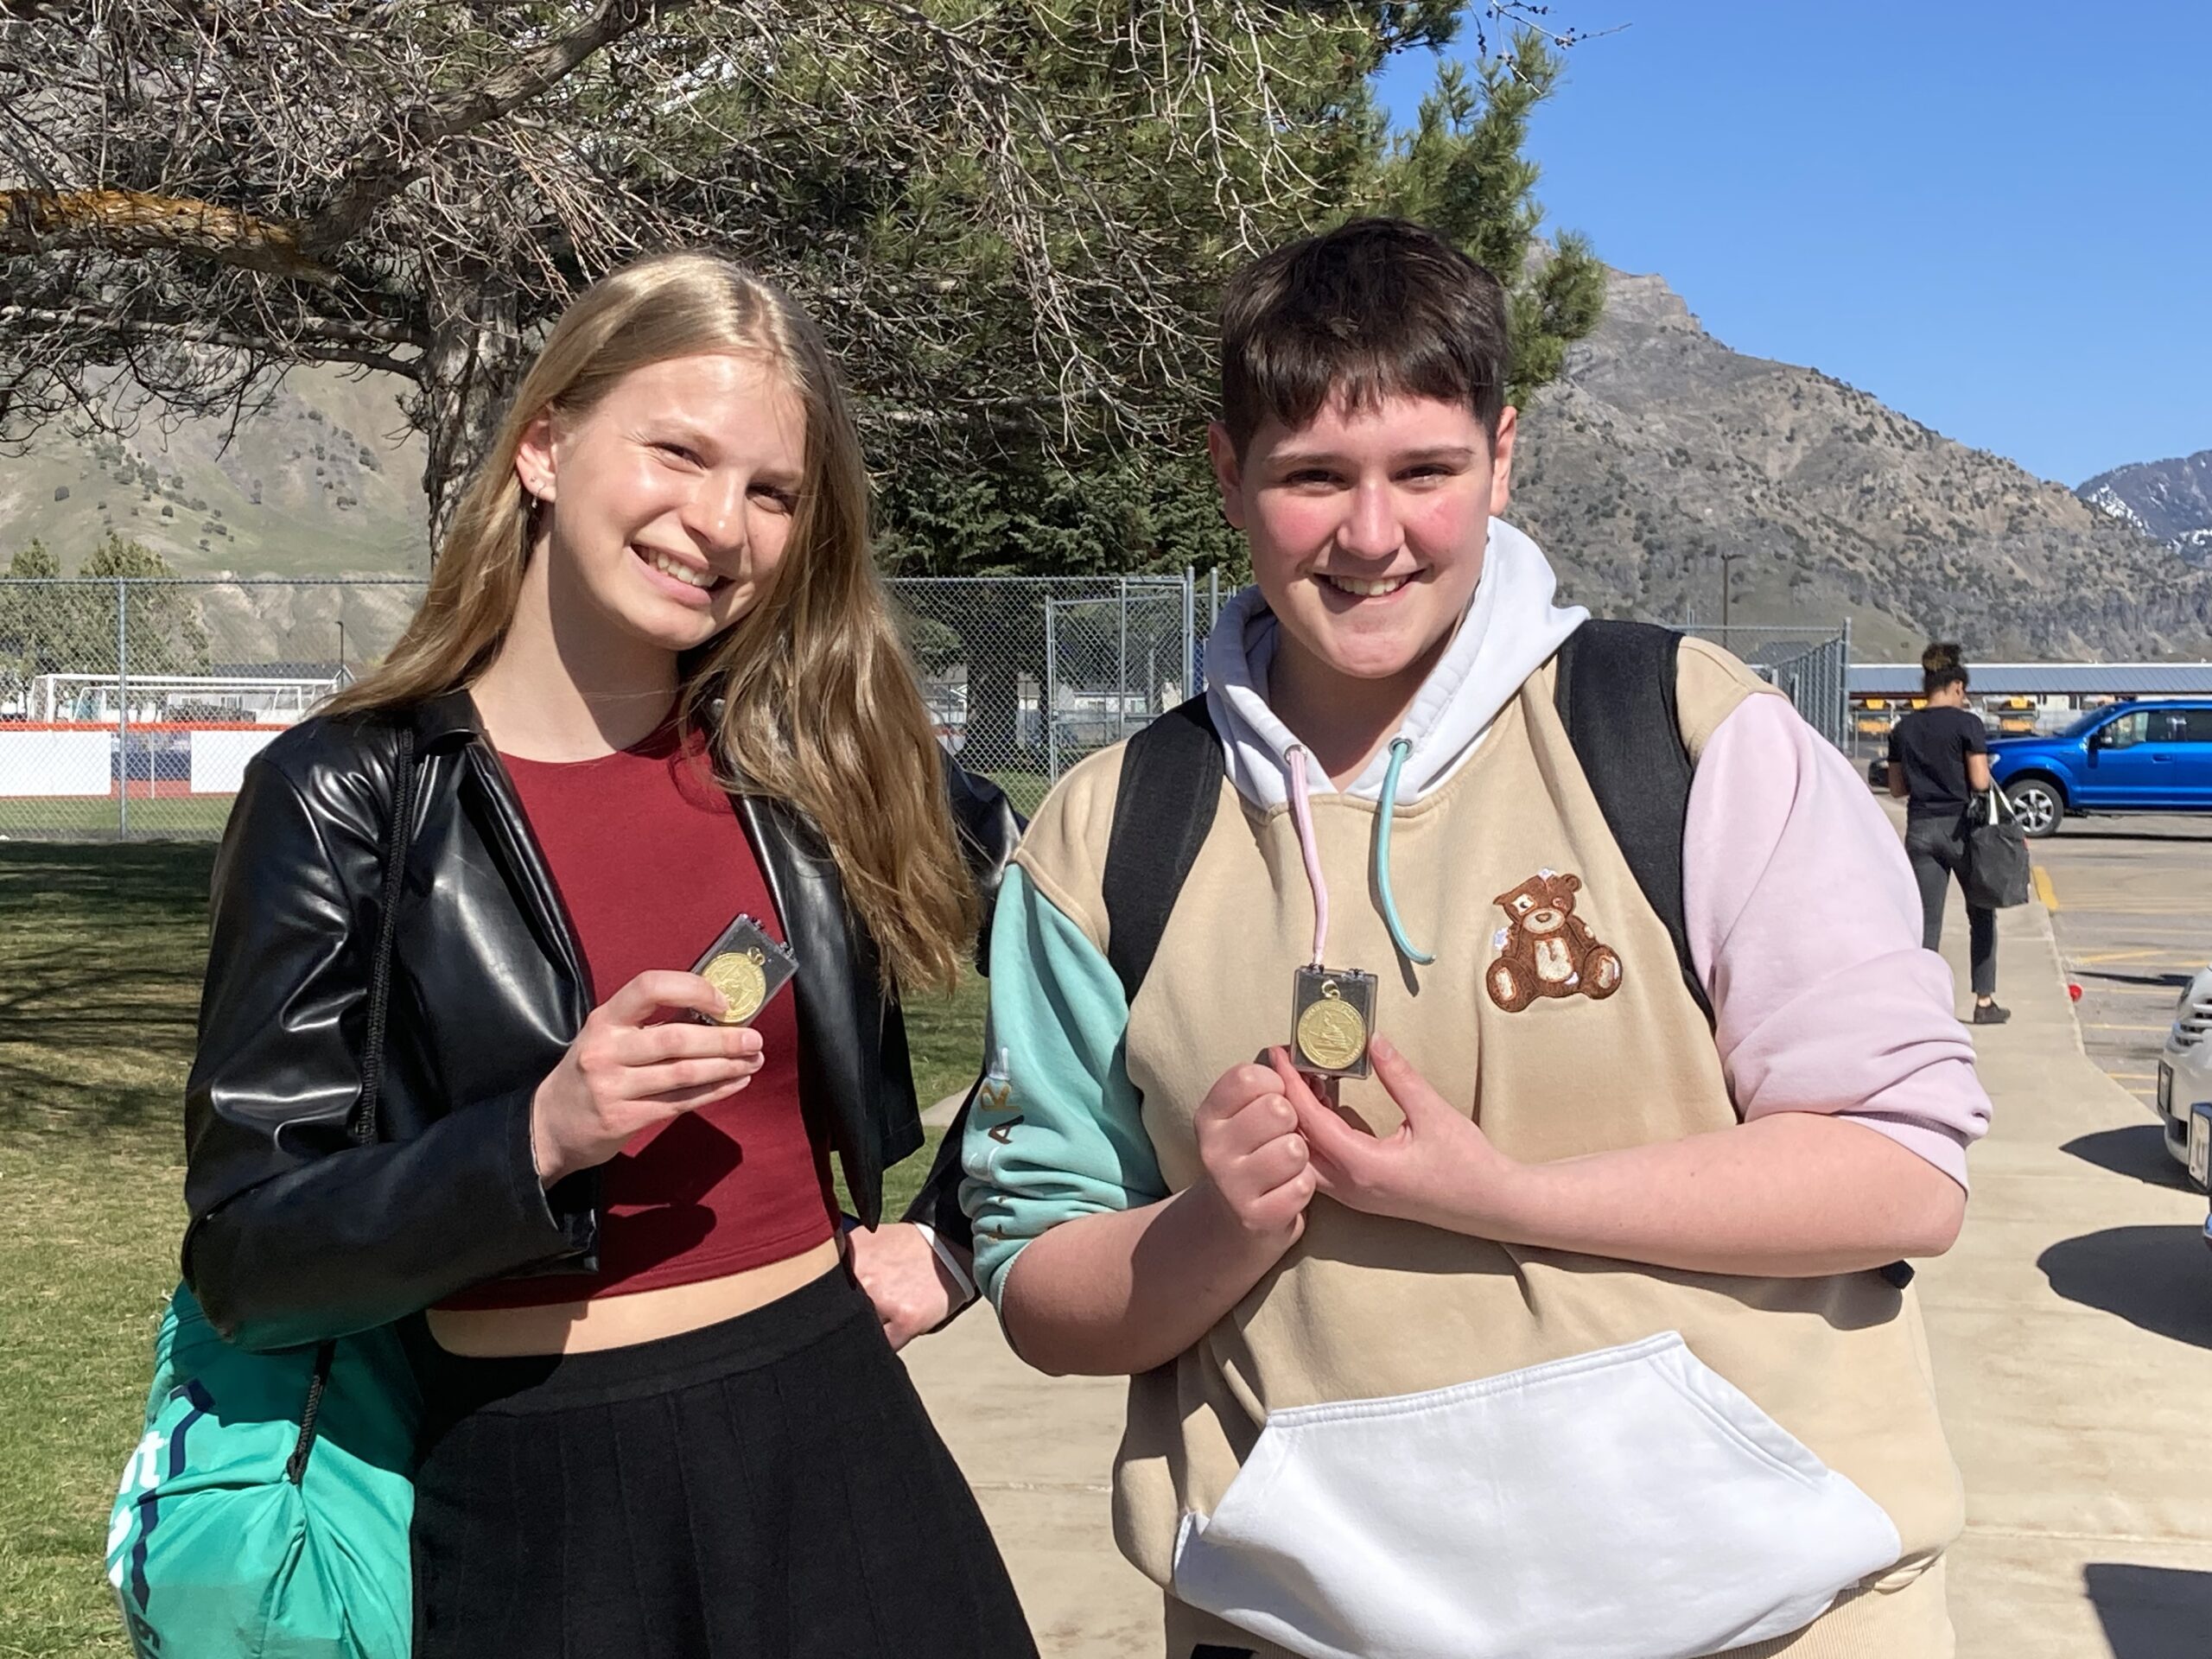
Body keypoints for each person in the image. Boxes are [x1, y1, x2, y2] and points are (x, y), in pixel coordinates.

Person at [958, 219, 1993, 1658]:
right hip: (1295, 1625)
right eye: (1312, 476)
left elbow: (1900, 1173)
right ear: (1226, 473)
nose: (1371, 535)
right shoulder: (1107, 834)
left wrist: (1497, 1192)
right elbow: (1040, 1286)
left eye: (1425, 473)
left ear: (1502, 458)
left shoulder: (1690, 736)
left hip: (1769, 1618)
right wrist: (1213, 1226)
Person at [181, 252, 1034, 1657]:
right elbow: (250, 1256)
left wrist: (956, 1233)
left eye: (771, 492)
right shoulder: (349, 793)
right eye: (679, 454)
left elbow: (1085, 957)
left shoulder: (814, 764)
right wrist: (537, 1136)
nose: (719, 524)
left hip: (841, 1454)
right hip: (538, 1502)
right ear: (545, 444)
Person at [1888, 643, 2006, 1023]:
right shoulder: (1967, 724)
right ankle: (1984, 1002)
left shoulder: (1903, 728)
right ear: (1956, 685)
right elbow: (1979, 780)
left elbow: (1896, 789)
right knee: (1981, 913)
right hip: (1962, 829)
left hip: (1922, 828)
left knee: (1926, 921)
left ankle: (1920, 1003)